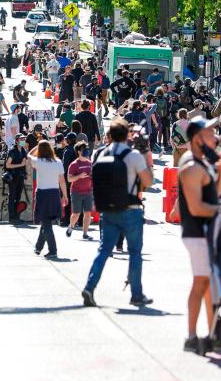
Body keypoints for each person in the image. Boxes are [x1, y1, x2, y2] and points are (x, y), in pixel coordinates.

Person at [81, 119, 154, 308]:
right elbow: (148, 181)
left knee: (104, 250)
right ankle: (136, 294)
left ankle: (90, 286)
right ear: (128, 135)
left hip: (107, 209)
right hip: (130, 209)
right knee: (135, 252)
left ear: (110, 135)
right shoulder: (133, 155)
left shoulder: (101, 153)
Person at [177, 116, 221, 354]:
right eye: (209, 133)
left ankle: (211, 331)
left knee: (208, 284)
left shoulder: (201, 162)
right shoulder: (192, 166)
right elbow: (197, 207)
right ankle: (192, 335)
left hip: (205, 231)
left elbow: (212, 196)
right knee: (202, 282)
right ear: (197, 139)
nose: (215, 137)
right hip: (198, 232)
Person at [27, 140, 68, 259]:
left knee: (46, 223)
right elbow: (62, 181)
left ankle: (53, 250)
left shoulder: (38, 162)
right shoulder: (58, 162)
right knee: (47, 222)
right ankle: (38, 247)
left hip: (42, 194)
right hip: (54, 194)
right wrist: (65, 196)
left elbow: (28, 155)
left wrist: (36, 146)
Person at [66, 142, 94, 241]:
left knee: (87, 213)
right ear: (79, 151)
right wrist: (79, 176)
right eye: (84, 149)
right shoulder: (74, 164)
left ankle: (85, 234)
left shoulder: (90, 163)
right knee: (76, 214)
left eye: (87, 148)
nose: (86, 150)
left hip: (88, 191)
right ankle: (71, 226)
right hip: (76, 192)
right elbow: (69, 179)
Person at [5, 135, 28, 224]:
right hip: (13, 177)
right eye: (21, 139)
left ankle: (16, 217)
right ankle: (12, 218)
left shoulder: (23, 150)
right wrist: (20, 165)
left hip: (20, 177)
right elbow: (8, 165)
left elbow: (25, 161)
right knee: (12, 197)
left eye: (24, 139)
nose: (23, 140)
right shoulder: (12, 151)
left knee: (17, 198)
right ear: (17, 141)